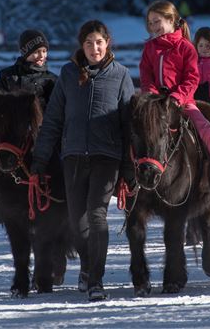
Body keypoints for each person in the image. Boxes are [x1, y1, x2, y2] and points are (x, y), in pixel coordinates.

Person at [30, 20, 135, 301]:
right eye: (89, 43)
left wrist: (128, 167)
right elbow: (53, 120)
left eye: (99, 42)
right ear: (82, 45)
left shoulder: (122, 75)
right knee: (77, 221)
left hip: (107, 156)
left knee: (97, 214)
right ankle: (87, 267)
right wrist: (40, 159)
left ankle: (96, 281)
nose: (94, 48)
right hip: (74, 156)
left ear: (107, 43)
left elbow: (128, 125)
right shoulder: (68, 74)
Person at [139, 0, 210, 200]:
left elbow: (192, 78)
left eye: (157, 21)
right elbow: (146, 75)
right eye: (150, 23)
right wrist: (152, 95)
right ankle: (132, 176)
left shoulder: (185, 47)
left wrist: (177, 96)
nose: (154, 27)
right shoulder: (149, 48)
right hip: (156, 103)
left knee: (207, 130)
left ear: (171, 20)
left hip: (182, 102)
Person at [0, 29, 57, 226]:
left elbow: (56, 108)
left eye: (44, 51)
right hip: (11, 132)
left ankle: (60, 197)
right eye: (36, 52)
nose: (41, 56)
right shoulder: (8, 76)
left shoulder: (51, 80)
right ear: (25, 52)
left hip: (41, 132)